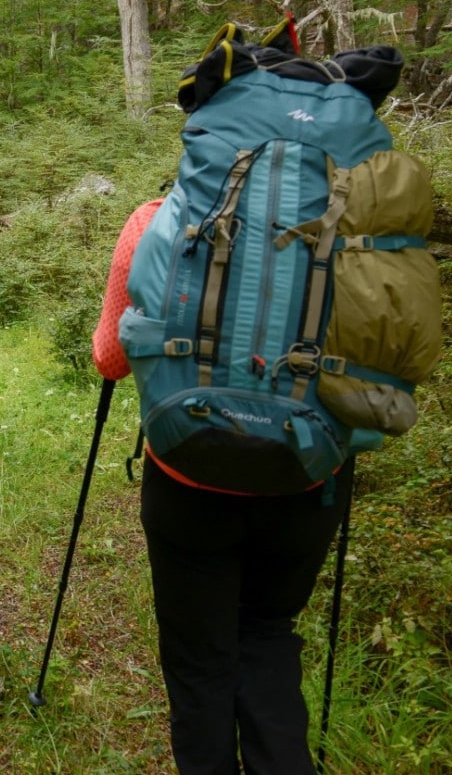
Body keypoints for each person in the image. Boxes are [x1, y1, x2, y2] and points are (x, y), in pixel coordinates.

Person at [93, 201, 353, 775]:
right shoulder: (355, 230)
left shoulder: (156, 217)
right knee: (267, 634)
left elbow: (111, 358)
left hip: (189, 478)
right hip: (306, 480)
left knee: (199, 665)